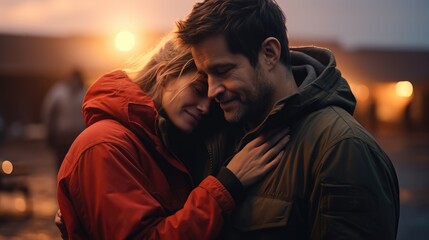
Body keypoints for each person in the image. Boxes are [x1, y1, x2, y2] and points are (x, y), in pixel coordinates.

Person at [176, 0, 400, 239]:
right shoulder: (220, 133)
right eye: (206, 76)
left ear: (269, 53)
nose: (212, 91)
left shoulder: (343, 148)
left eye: (222, 71)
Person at [56, 35, 290, 239]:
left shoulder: (162, 143)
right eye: (198, 90)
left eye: (212, 100)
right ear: (164, 75)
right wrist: (226, 186)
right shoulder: (104, 146)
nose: (205, 108)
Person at [42, 69, 86, 170]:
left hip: (78, 137)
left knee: (77, 168)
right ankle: (61, 185)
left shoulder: (84, 93)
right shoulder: (58, 92)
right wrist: (49, 133)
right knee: (62, 167)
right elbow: (48, 113)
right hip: (62, 138)